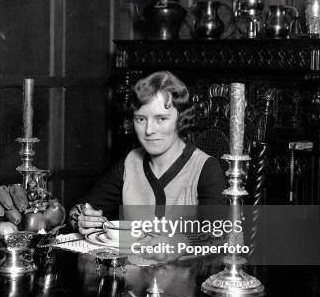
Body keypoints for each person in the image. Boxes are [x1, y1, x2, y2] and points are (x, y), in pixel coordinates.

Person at [70, 70, 225, 235]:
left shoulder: (205, 168)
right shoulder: (130, 162)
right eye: (141, 119)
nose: (149, 130)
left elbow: (215, 240)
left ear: (181, 120)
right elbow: (79, 209)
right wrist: (82, 219)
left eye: (161, 119)